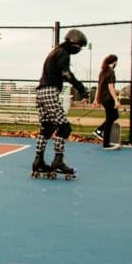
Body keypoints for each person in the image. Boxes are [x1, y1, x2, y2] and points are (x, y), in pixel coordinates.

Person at [32, 29, 90, 177]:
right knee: (64, 128)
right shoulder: (63, 53)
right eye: (78, 47)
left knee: (47, 127)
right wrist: (81, 89)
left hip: (40, 92)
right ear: (72, 43)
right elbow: (66, 74)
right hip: (50, 91)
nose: (79, 50)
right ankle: (58, 160)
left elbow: (60, 74)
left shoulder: (54, 52)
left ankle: (38, 161)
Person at [93, 54, 121, 150]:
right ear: (114, 62)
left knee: (113, 116)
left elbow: (99, 87)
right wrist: (116, 100)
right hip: (108, 98)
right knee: (110, 118)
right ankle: (106, 143)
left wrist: (96, 99)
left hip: (103, 98)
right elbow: (110, 87)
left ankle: (99, 130)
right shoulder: (111, 71)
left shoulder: (102, 72)